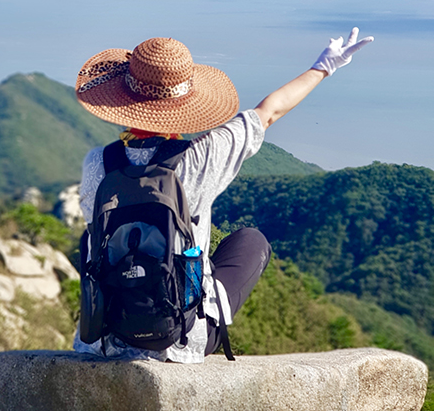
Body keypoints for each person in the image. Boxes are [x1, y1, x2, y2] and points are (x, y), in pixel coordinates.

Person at [73, 28, 374, 362]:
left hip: (106, 336)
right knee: (251, 241)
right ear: (183, 102)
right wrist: (323, 66)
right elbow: (268, 113)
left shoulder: (97, 163)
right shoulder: (202, 155)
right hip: (180, 339)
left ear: (123, 100)